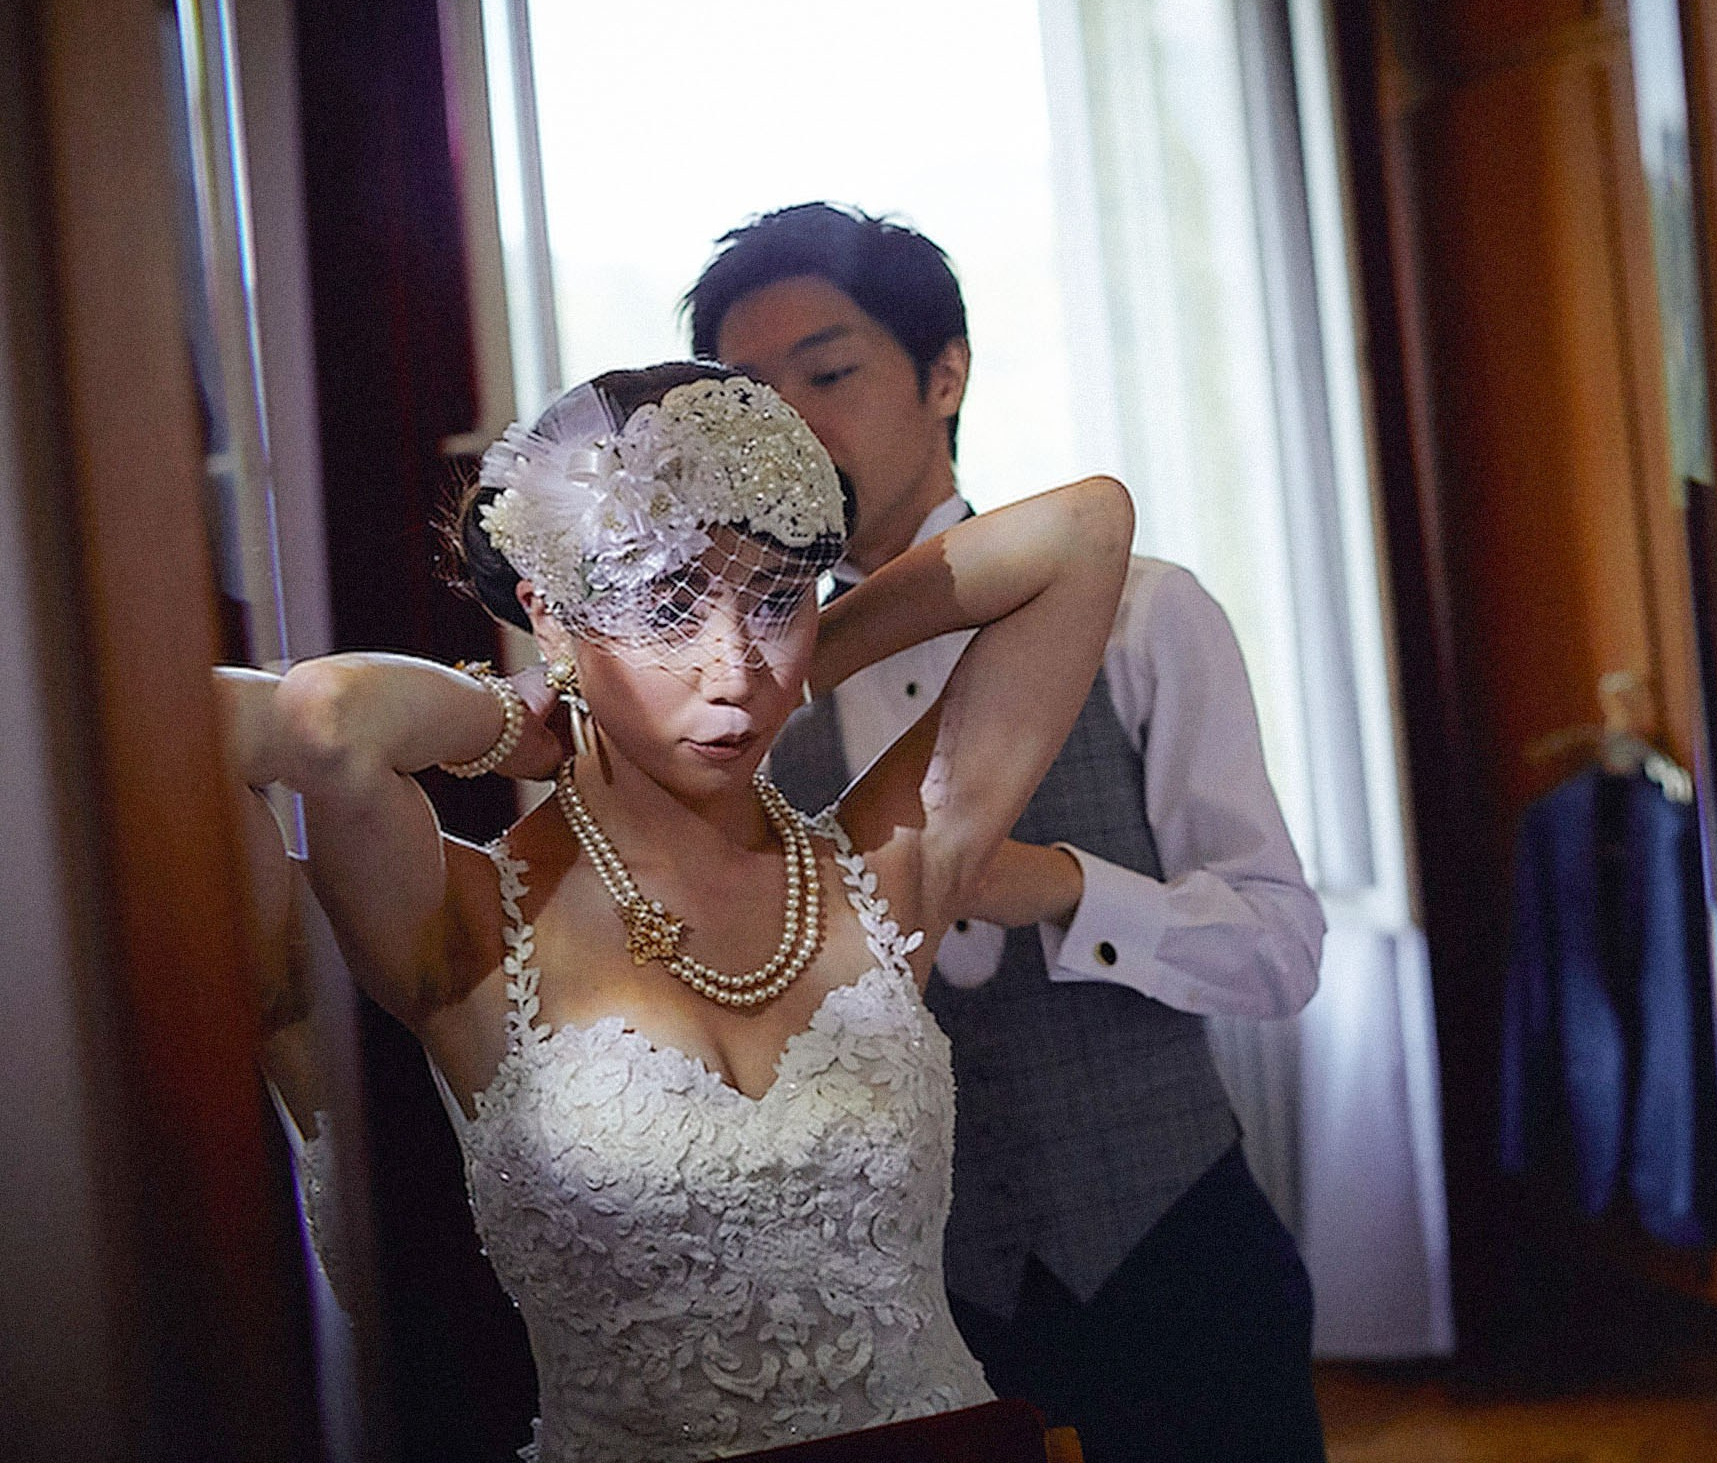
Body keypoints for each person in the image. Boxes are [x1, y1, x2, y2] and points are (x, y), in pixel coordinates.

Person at [219, 362, 1134, 1462]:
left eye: (776, 599)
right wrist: (512, 722)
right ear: (552, 615)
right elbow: (318, 723)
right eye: (665, 606)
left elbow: (1086, 529)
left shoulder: (883, 870)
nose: (733, 668)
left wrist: (811, 659)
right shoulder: (467, 924)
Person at [688, 203, 1329, 1463]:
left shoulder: (1147, 616)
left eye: (829, 373)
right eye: (750, 400)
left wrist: (1053, 886)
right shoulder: (735, 713)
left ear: (946, 374)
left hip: (1181, 1264)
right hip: (922, 1306)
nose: (794, 430)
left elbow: (1281, 948)